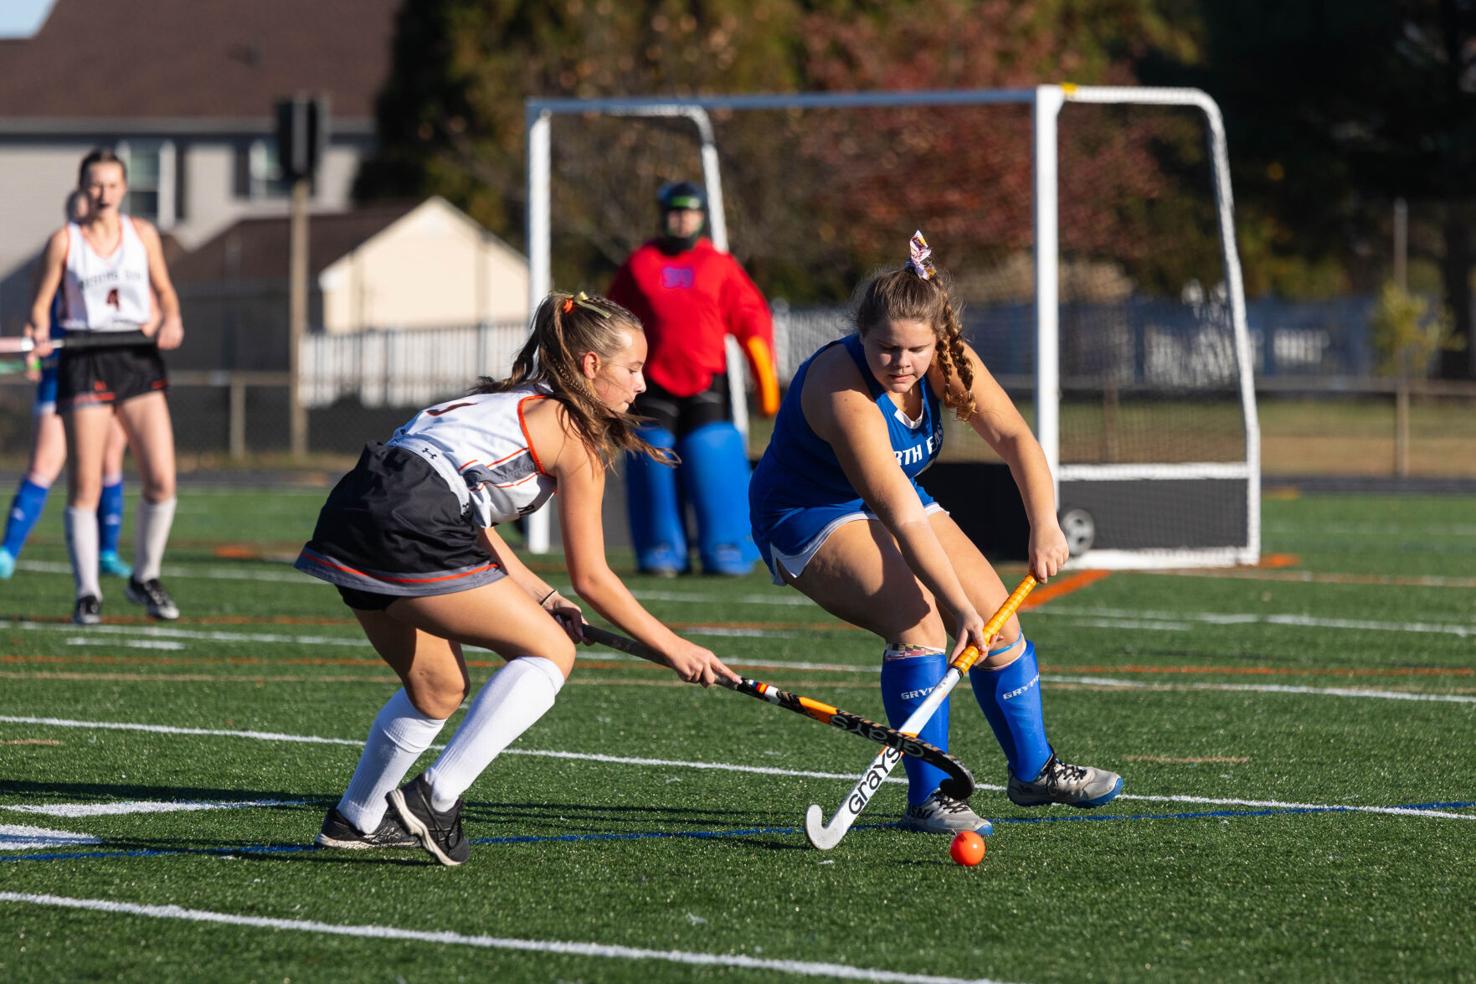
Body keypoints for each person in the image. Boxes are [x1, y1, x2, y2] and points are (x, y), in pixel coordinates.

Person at [296, 291, 740, 867]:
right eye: (632, 369)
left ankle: (356, 818)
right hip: (415, 518)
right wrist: (673, 645)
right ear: (590, 367)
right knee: (550, 651)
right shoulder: (575, 436)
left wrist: (542, 595)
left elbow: (469, 518)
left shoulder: (509, 402)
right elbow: (594, 577)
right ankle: (435, 798)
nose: (640, 384)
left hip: (357, 507)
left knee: (437, 689)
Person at [748, 232, 1123, 835]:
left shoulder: (950, 362)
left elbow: (1017, 441)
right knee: (921, 622)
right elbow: (896, 510)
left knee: (998, 615)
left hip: (892, 494)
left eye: (915, 349)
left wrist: (1044, 522)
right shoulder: (842, 391)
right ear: (860, 336)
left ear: (939, 339)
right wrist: (954, 609)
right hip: (806, 510)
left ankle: (1034, 771)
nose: (901, 363)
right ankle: (931, 797)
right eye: (885, 348)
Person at [24, 148, 185, 625]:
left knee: (161, 478)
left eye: (113, 185)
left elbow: (165, 292)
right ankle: (87, 591)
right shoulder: (65, 241)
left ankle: (144, 577)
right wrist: (36, 333)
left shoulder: (142, 235)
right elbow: (40, 305)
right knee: (85, 484)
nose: (104, 194)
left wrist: (172, 318)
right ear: (82, 187)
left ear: (124, 188)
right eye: (96, 185)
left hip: (135, 358)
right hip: (84, 357)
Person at [606, 180, 780, 576]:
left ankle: (726, 548)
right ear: (663, 215)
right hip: (651, 386)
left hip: (705, 383)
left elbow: (751, 315)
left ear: (701, 216)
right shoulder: (640, 264)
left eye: (689, 212)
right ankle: (661, 549)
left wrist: (764, 375)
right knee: (652, 454)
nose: (682, 219)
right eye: (675, 211)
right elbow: (612, 322)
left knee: (712, 451)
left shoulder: (718, 264)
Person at [0, 190, 133, 582]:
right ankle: (8, 551)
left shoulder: (124, 256)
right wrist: (33, 347)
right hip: (63, 374)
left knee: (109, 463)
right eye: (76, 216)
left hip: (111, 372)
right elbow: (38, 316)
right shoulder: (60, 256)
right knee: (44, 464)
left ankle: (107, 551)